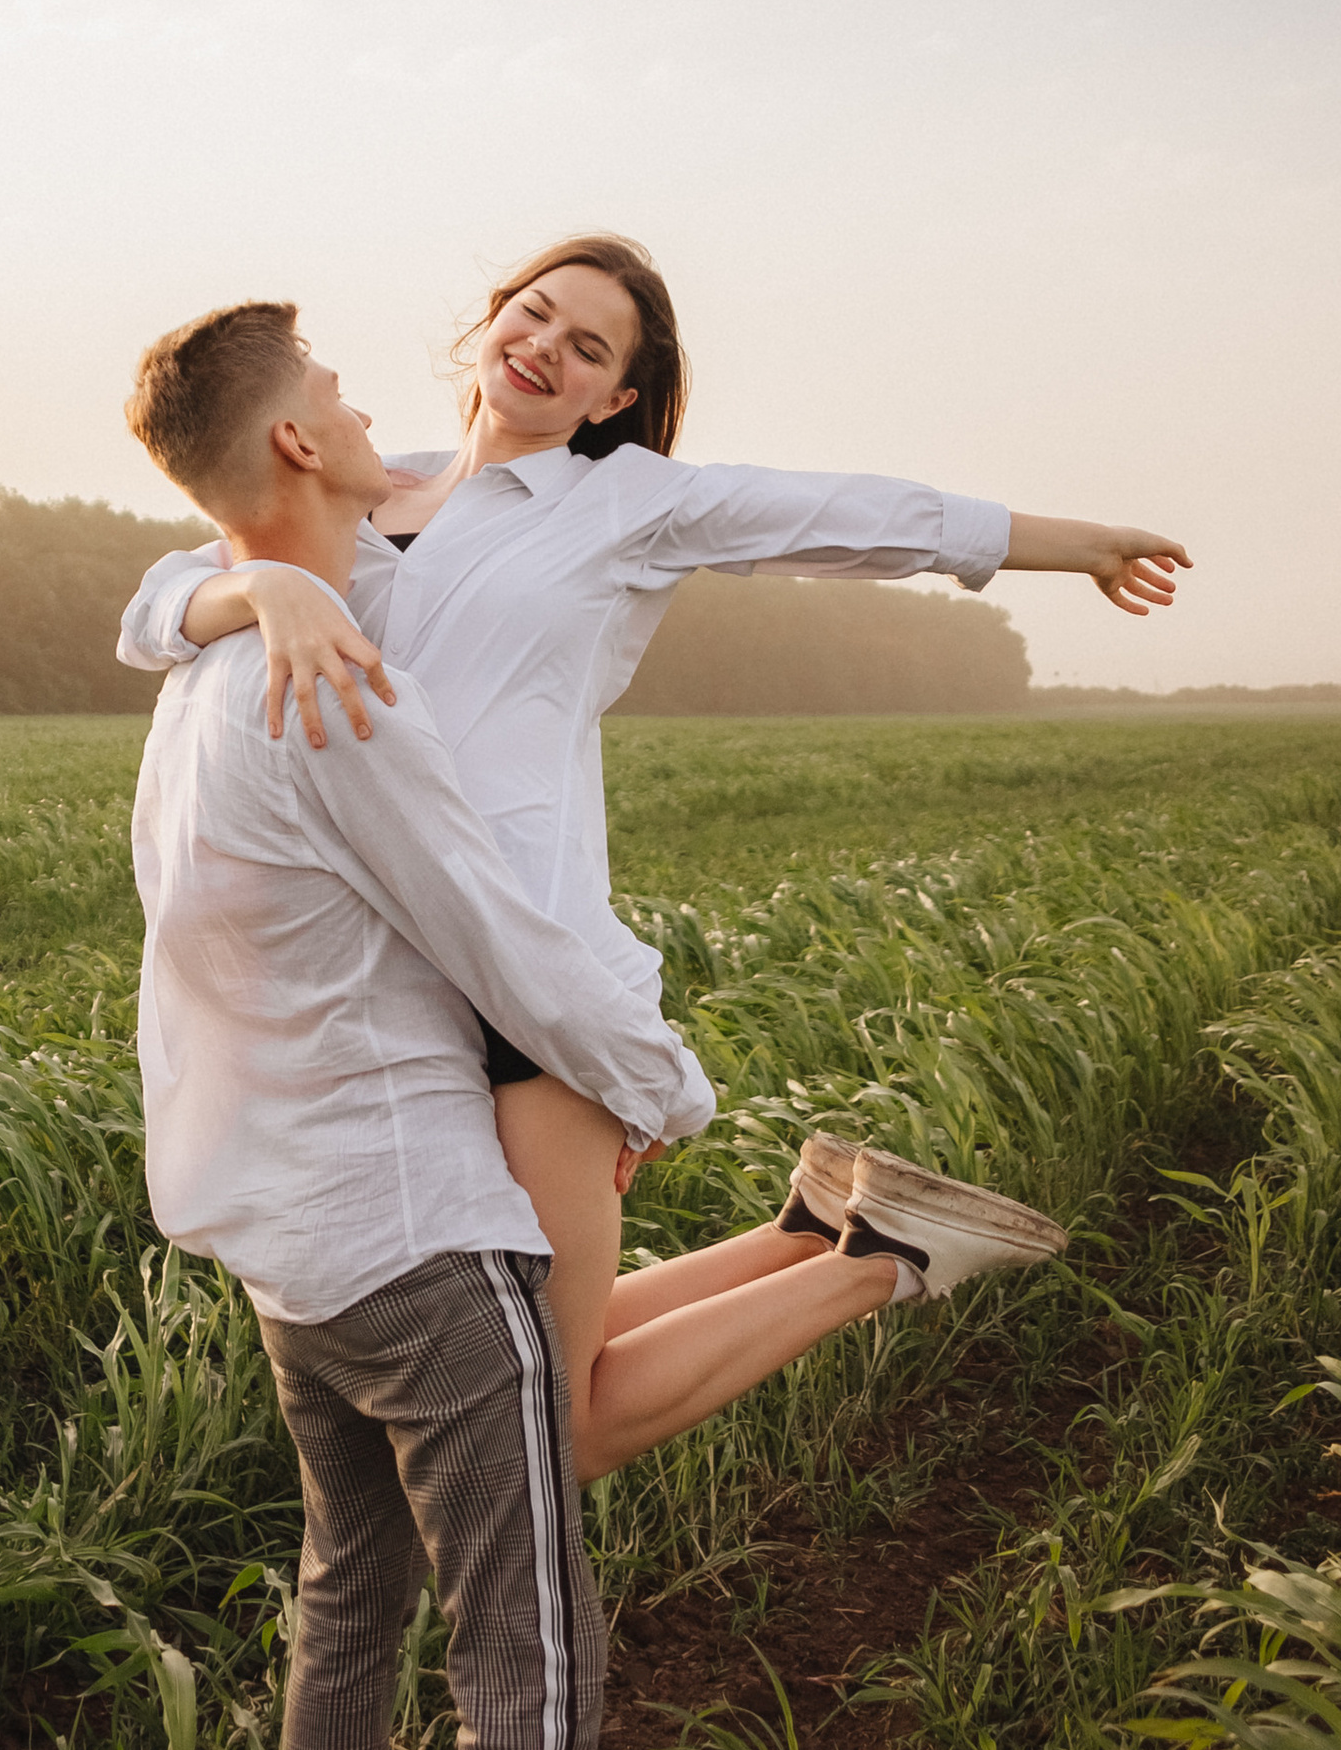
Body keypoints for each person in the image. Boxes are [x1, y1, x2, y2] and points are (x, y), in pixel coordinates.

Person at [122, 296, 1052, 1750]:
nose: (367, 400)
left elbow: (840, 507)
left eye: (584, 332)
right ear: (299, 455)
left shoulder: (224, 684)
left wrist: (246, 593)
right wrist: (654, 1080)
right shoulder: (333, 656)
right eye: (333, 398)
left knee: (346, 1591)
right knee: (529, 1674)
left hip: (283, 1229)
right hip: (413, 1209)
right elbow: (502, 937)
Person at [121, 235, 1179, 1481]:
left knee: (551, 1430)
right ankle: (818, 1228)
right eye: (533, 314)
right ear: (488, 321)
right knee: (503, 1360)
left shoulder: (628, 506)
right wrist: (266, 599)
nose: (544, 351)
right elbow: (154, 607)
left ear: (614, 398)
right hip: (391, 994)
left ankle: (880, 1261)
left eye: (588, 350)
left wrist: (1085, 542)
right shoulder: (369, 483)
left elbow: (857, 516)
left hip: (532, 986)